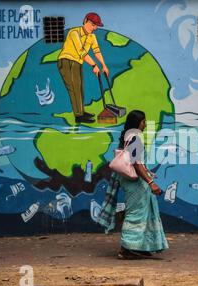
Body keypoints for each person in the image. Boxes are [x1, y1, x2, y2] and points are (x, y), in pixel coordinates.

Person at [95, 110, 168, 259]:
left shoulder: (128, 137)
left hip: (132, 181)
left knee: (142, 212)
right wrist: (151, 183)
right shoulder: (135, 138)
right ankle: (125, 249)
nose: (145, 124)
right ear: (137, 123)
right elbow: (137, 164)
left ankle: (140, 247)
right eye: (143, 122)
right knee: (136, 214)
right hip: (135, 183)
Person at [57, 12, 109, 124]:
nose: (94, 28)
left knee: (80, 88)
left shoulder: (92, 36)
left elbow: (97, 51)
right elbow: (81, 53)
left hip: (77, 62)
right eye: (93, 24)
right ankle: (78, 116)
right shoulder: (74, 32)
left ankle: (81, 112)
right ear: (85, 21)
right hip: (66, 61)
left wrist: (104, 65)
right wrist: (94, 65)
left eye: (96, 26)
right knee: (74, 88)